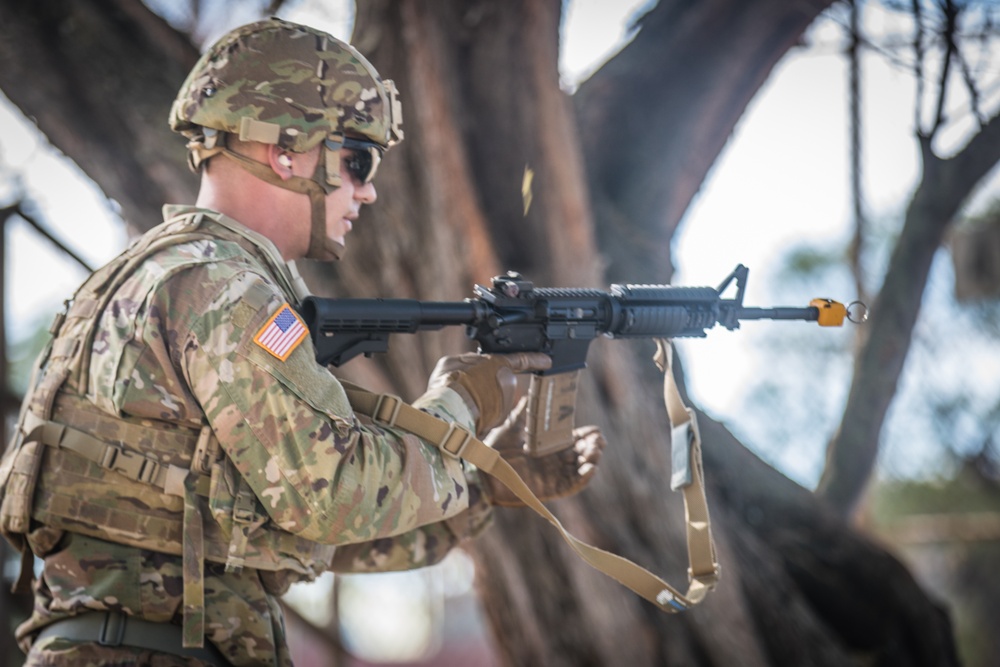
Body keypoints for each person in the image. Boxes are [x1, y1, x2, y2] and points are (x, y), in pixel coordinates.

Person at [0, 18, 604, 667]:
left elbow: (289, 533)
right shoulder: (223, 291)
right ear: (287, 149)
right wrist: (462, 402)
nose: (367, 189)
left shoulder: (160, 276)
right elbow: (333, 494)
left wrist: (480, 485)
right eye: (357, 160)